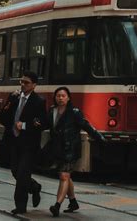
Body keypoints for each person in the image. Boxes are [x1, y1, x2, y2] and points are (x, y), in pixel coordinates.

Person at [47, 86, 106, 217]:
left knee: (64, 176)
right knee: (67, 176)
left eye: (63, 96)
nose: (60, 98)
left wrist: (99, 138)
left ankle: (57, 206)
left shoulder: (74, 112)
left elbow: (86, 125)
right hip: (57, 149)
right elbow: (46, 125)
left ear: (68, 98)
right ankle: (73, 202)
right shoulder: (52, 111)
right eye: (58, 96)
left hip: (71, 149)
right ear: (55, 98)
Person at [0, 71, 47, 215]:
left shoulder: (39, 101)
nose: (23, 85)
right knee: (15, 172)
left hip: (28, 145)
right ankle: (34, 187)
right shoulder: (13, 97)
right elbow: (2, 118)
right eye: (21, 81)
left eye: (26, 83)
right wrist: (9, 103)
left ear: (34, 85)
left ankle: (20, 206)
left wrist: (25, 125)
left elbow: (42, 123)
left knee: (22, 174)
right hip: (13, 141)